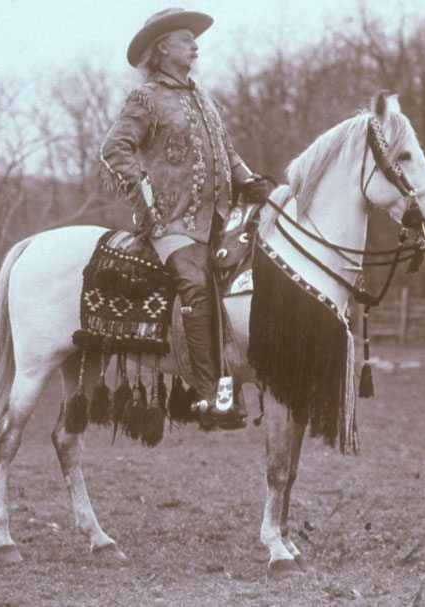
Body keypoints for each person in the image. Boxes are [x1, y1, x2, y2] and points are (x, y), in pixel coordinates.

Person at [99, 7, 267, 429]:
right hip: (171, 225)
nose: (195, 44)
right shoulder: (145, 98)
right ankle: (210, 396)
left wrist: (250, 181)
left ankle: (236, 389)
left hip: (218, 223)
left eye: (194, 39)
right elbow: (114, 149)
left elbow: (227, 154)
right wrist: (145, 199)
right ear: (162, 49)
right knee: (195, 290)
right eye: (185, 38)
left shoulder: (204, 99)